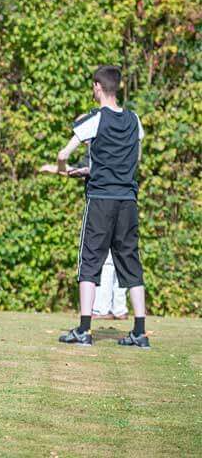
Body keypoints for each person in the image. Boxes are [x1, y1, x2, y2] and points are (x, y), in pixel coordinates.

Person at [53, 65, 149, 348]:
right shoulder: (135, 120)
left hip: (100, 201)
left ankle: (84, 329)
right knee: (130, 261)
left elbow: (64, 153)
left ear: (97, 86)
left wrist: (63, 169)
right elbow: (134, 160)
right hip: (127, 201)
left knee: (90, 260)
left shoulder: (95, 119)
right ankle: (140, 332)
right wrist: (94, 170)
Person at [39, 149, 128, 321]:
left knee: (105, 260)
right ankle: (119, 308)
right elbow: (83, 170)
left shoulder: (97, 148)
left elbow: (84, 171)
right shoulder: (118, 143)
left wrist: (59, 168)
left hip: (103, 205)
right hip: (124, 201)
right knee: (119, 256)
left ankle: (103, 309)